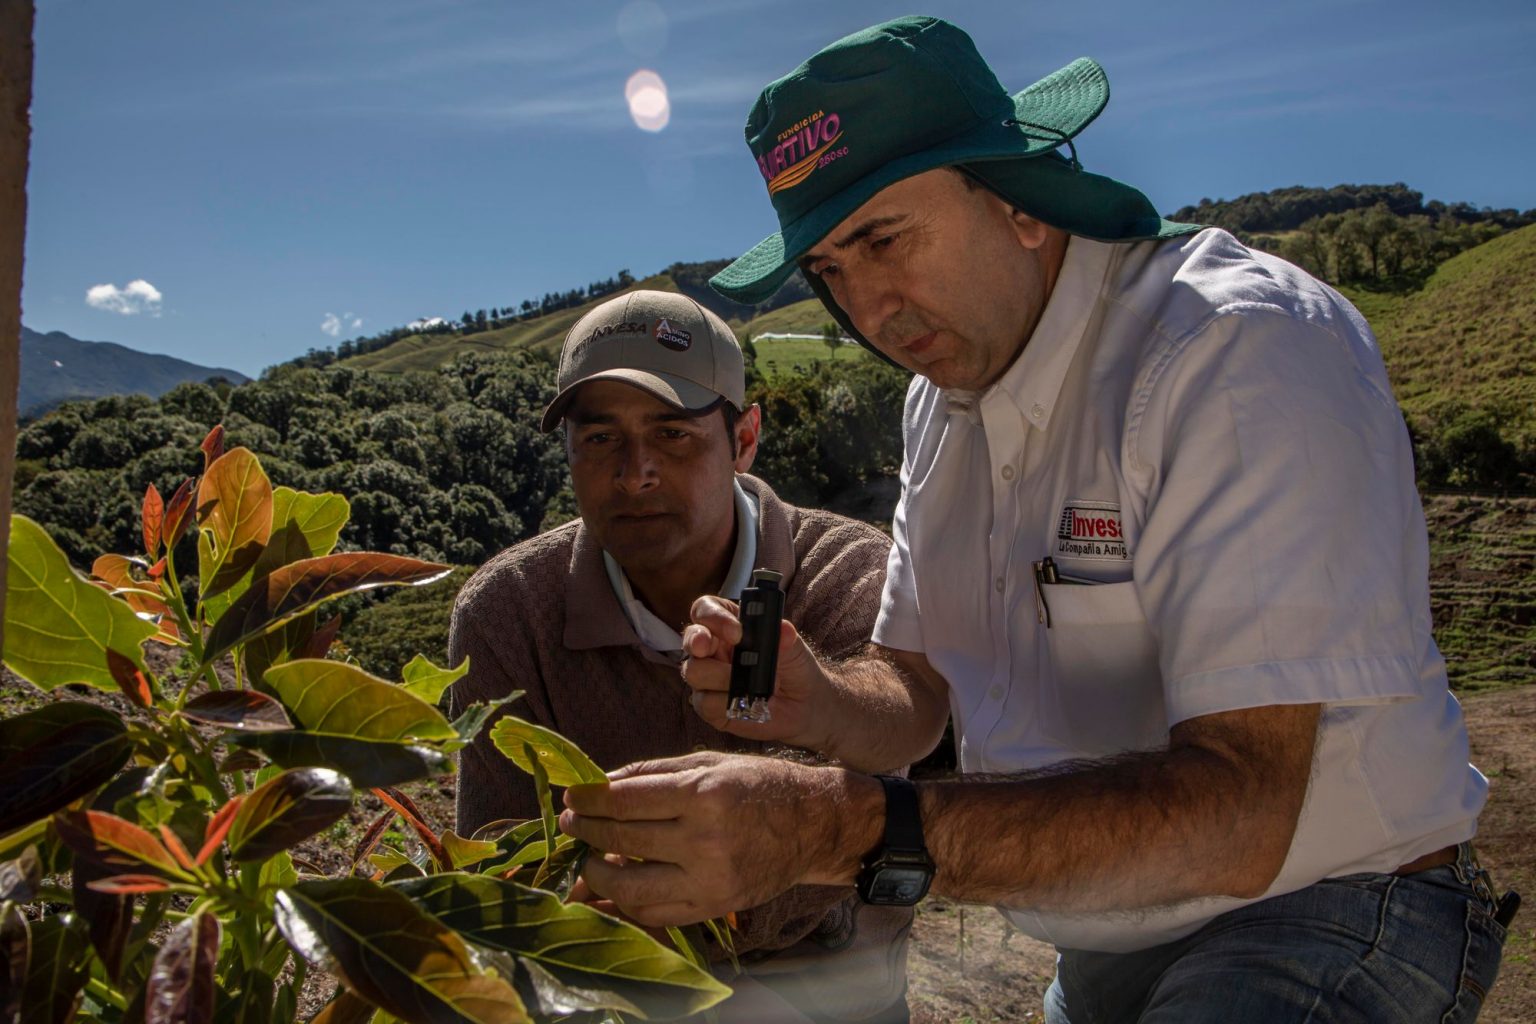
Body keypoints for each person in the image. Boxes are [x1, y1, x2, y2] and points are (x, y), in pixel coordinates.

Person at [557, 17, 1514, 1022]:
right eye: (833, 270)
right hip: (1107, 929)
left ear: (1016, 200)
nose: (869, 308)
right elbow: (919, 689)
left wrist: (828, 827)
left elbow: (1244, 813)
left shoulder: (1231, 350)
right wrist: (820, 699)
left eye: (884, 239)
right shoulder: (942, 394)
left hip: (1329, 907)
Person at [446, 289, 914, 1023]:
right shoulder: (506, 615)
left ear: (745, 438)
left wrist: (823, 699)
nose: (635, 475)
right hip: (618, 997)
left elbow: (901, 740)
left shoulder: (852, 573)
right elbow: (504, 872)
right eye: (600, 440)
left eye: (673, 436)